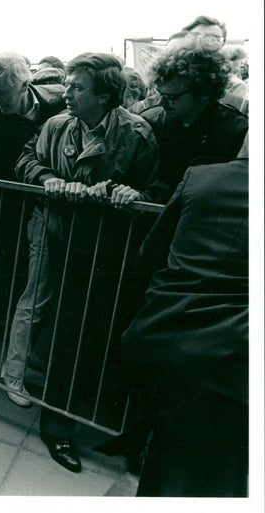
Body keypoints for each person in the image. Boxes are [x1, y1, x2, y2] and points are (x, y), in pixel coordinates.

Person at [11, 53, 164, 472]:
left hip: (109, 254)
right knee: (66, 334)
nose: (67, 94)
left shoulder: (137, 135)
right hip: (63, 243)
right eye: (69, 85)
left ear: (105, 95)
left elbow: (155, 190)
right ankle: (56, 426)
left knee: (94, 336)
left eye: (77, 88)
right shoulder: (56, 126)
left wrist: (132, 196)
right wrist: (48, 179)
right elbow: (26, 160)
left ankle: (82, 419)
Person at [122, 143, 248, 496]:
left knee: (164, 456)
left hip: (167, 336)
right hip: (236, 358)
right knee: (220, 472)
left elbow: (150, 253)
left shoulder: (201, 177)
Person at [0, 52, 65, 369]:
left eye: (3, 92)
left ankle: (14, 345)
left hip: (36, 208)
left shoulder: (55, 108)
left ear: (24, 85)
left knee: (28, 280)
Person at [137, 39, 248, 199]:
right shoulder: (150, 122)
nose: (161, 103)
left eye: (171, 97)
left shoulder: (237, 130)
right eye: (160, 94)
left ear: (204, 92)